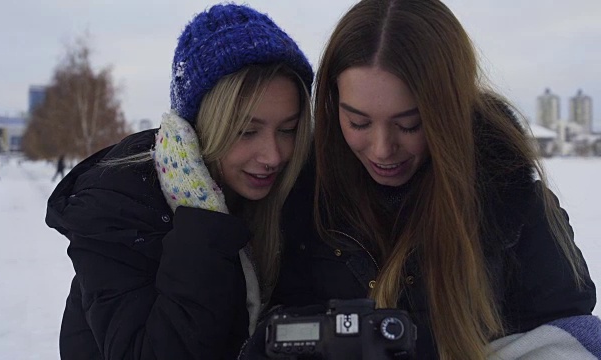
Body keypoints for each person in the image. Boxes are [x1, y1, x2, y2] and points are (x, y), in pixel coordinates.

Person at [244, 0, 597, 359]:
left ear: (451, 112)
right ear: (333, 106)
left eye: (410, 124)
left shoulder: (513, 205)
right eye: (359, 122)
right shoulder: (300, 195)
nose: (382, 150)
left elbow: (571, 334)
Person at [45, 4, 313, 359]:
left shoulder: (292, 194)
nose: (273, 156)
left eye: (288, 130)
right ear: (201, 127)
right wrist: (202, 225)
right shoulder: (117, 208)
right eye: (246, 131)